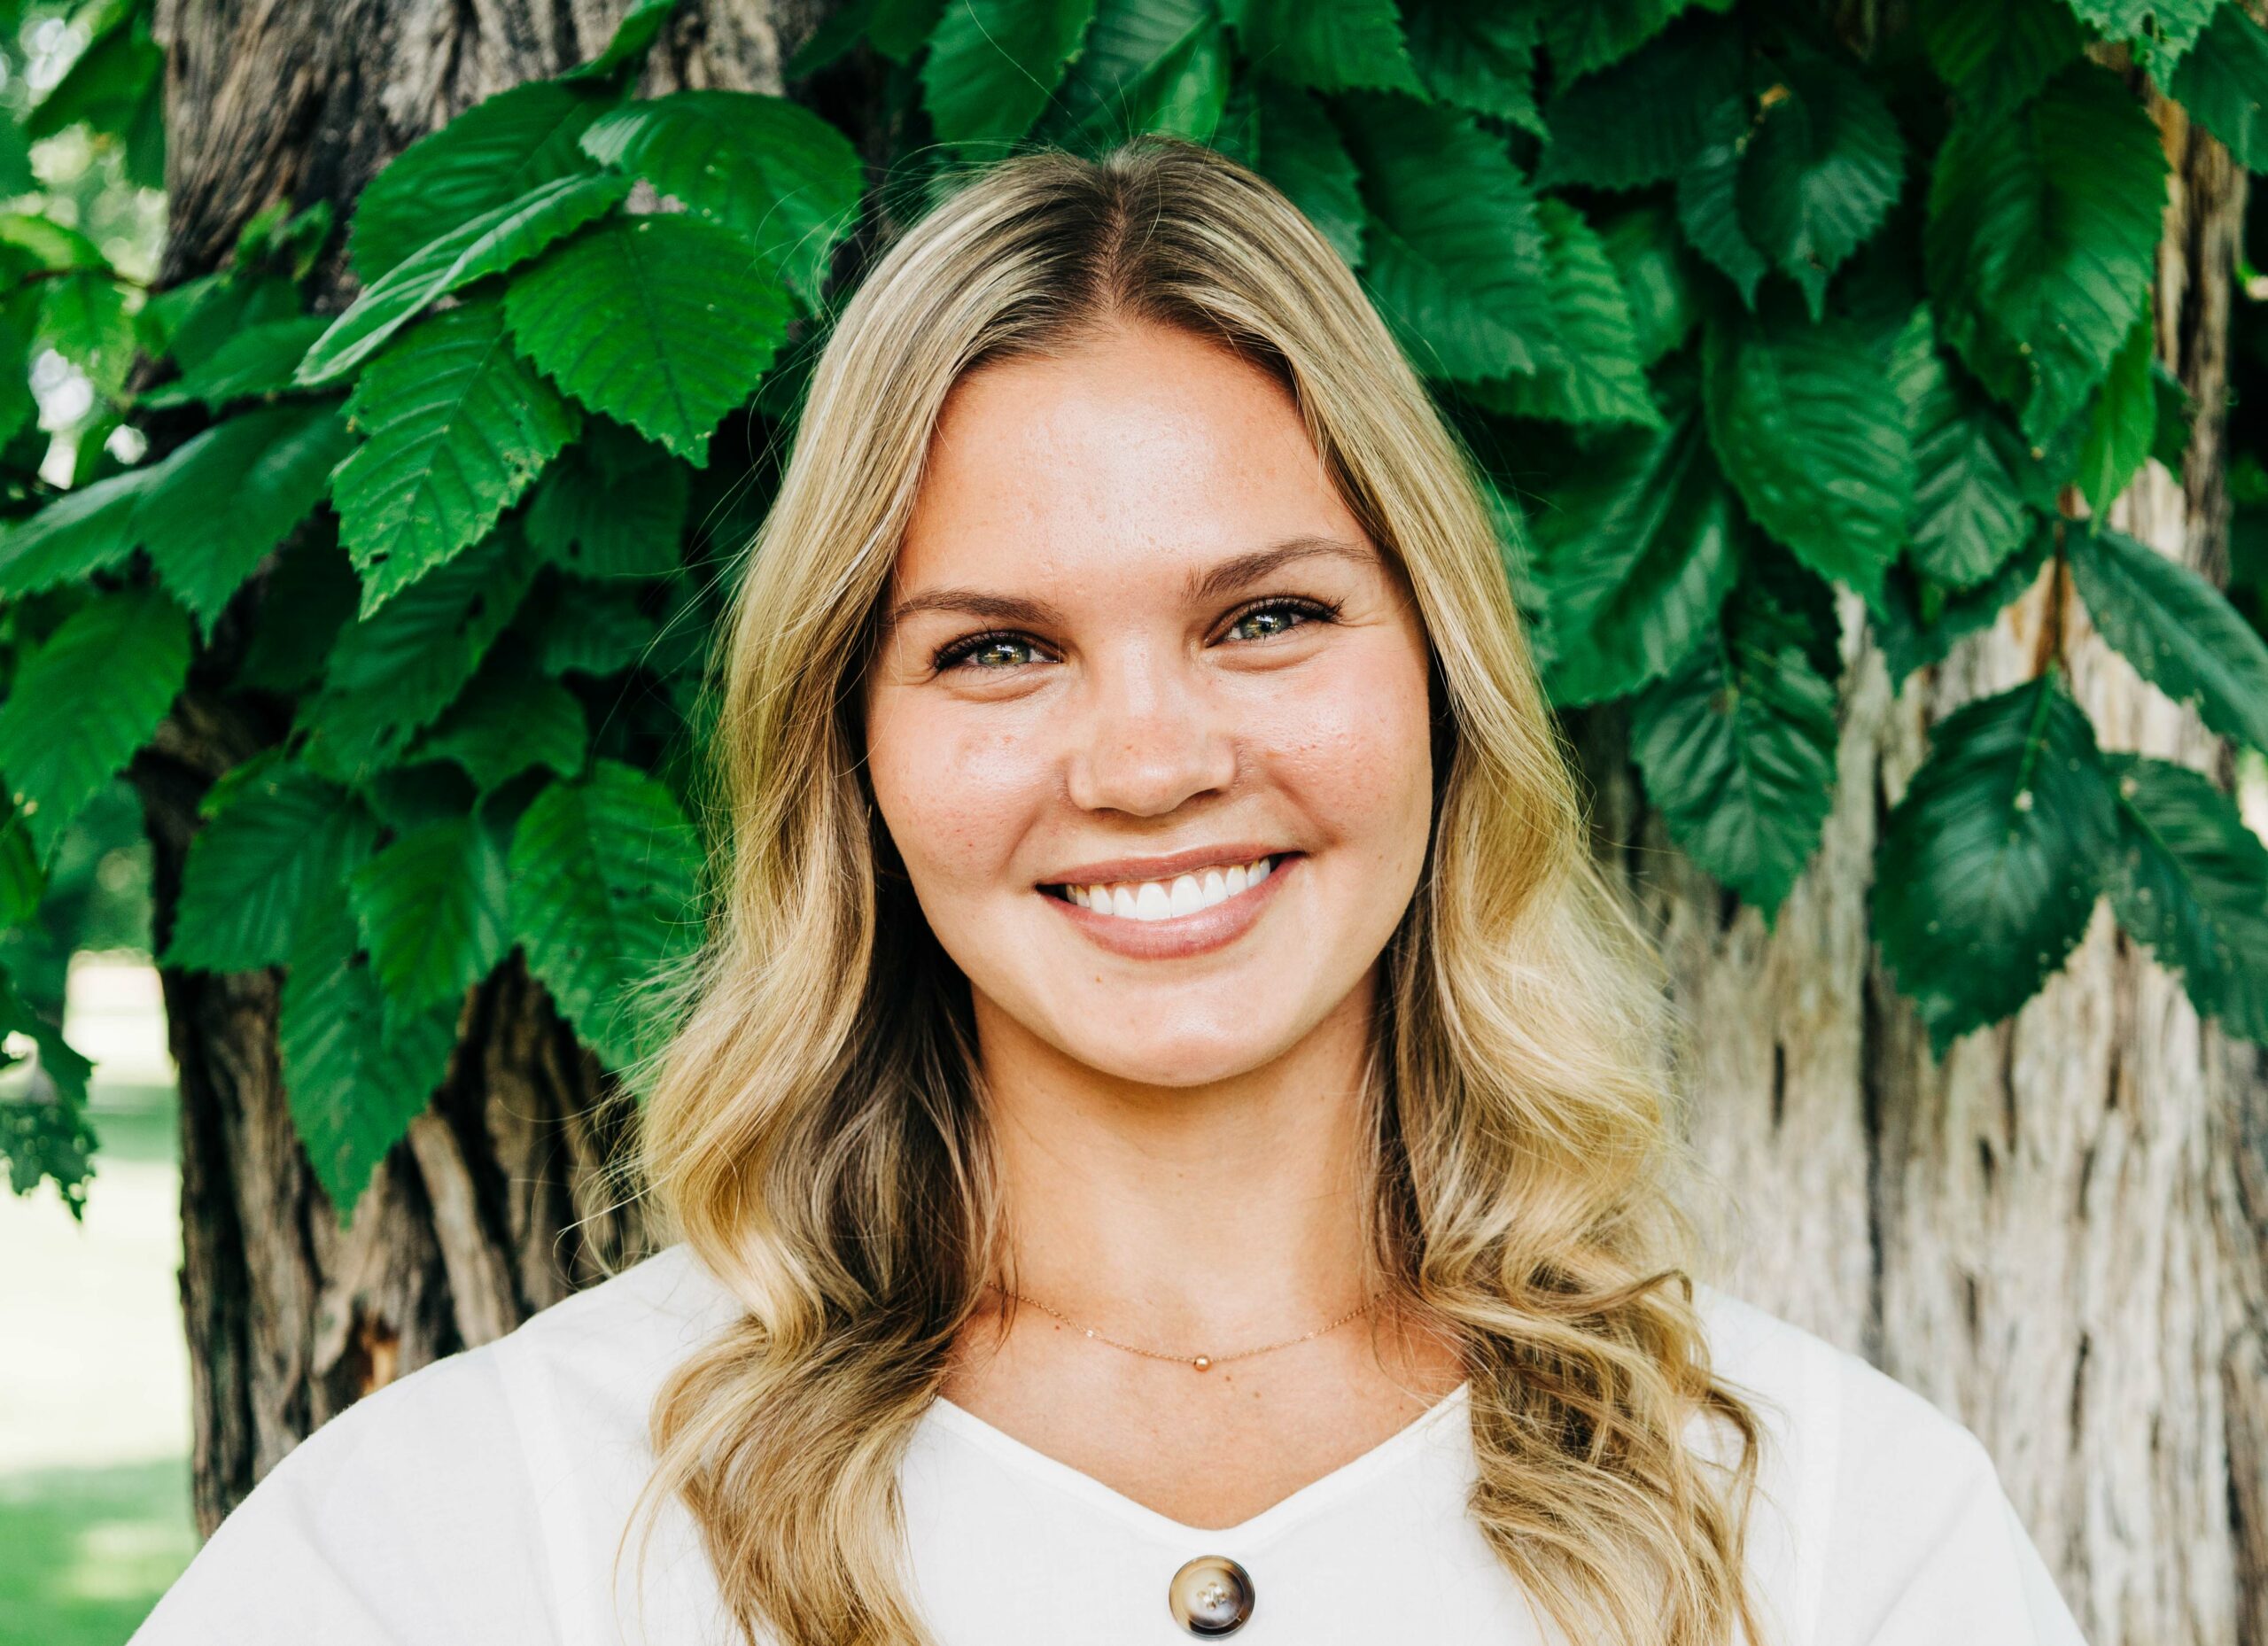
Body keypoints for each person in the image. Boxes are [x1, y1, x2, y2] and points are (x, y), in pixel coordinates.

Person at [131, 139, 2087, 1646]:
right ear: (850, 749)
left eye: (1267, 616)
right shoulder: (484, 1531)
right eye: (997, 649)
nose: (1148, 762)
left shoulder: (1832, 1528)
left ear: (1442, 676)